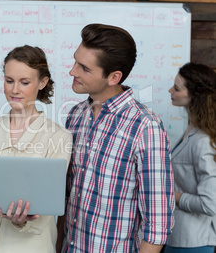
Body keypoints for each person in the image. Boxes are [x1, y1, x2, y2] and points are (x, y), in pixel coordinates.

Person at [56, 23, 175, 253]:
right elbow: (66, 196)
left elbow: (157, 224)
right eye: (74, 61)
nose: (72, 72)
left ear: (113, 77)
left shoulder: (145, 128)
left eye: (84, 68)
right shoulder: (76, 116)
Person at [0, 45, 72, 253]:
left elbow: (48, 205)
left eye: (24, 82)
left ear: (42, 82)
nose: (14, 90)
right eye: (9, 81)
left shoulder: (58, 137)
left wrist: (21, 221)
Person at [164, 62, 216, 253]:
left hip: (194, 244)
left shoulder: (203, 140)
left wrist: (172, 195)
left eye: (176, 88)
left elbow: (210, 204)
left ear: (195, 96)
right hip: (177, 237)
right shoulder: (191, 129)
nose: (170, 90)